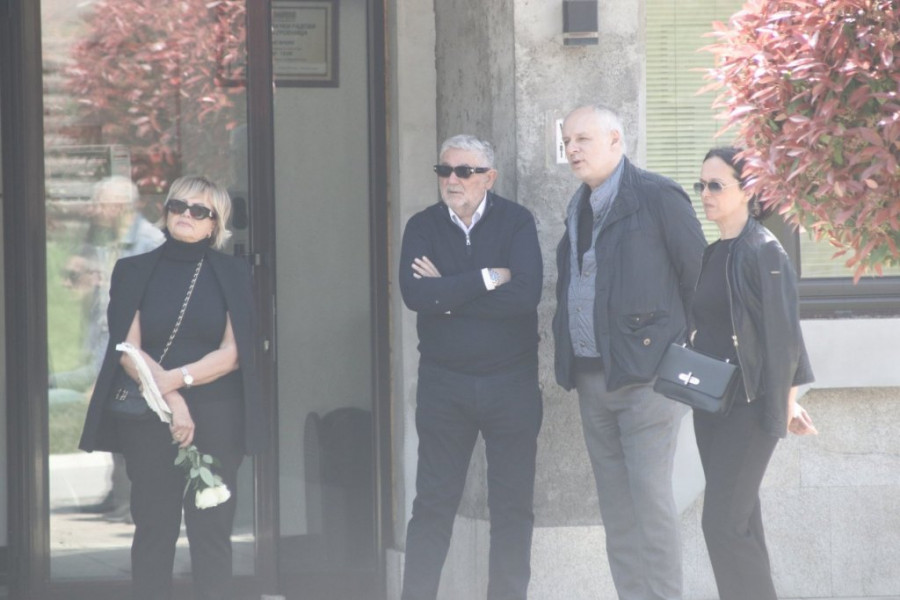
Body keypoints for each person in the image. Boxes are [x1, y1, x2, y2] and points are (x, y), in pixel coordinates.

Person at [79, 175, 265, 600]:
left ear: (215, 223)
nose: (186, 215)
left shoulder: (232, 272)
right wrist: (173, 399)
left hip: (218, 414)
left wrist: (174, 379)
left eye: (199, 211)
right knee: (153, 529)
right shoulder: (133, 270)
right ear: (165, 211)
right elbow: (127, 349)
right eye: (178, 206)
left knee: (212, 530)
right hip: (150, 415)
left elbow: (233, 353)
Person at [552, 104, 707, 600]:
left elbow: (699, 279)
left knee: (651, 507)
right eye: (567, 141)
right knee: (617, 513)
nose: (572, 149)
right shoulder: (578, 205)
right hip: (592, 381)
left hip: (648, 382)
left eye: (583, 139)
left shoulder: (658, 196)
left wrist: (679, 354)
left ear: (616, 140)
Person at [399, 134, 543, 600]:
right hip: (445, 386)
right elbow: (416, 295)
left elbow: (525, 296)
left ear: (489, 177)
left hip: (511, 384)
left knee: (512, 509)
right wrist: (486, 278)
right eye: (445, 170)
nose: (452, 179)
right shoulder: (422, 226)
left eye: (465, 171)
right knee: (432, 506)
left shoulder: (516, 222)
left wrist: (448, 293)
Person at [691, 147, 816, 600]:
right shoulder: (715, 252)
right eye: (700, 185)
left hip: (750, 406)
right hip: (712, 406)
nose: (705, 194)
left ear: (747, 191)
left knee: (722, 524)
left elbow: (785, 337)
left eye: (716, 185)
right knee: (741, 522)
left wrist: (786, 403)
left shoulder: (764, 250)